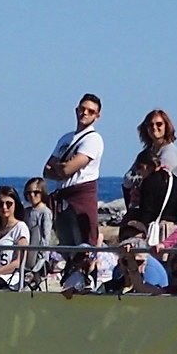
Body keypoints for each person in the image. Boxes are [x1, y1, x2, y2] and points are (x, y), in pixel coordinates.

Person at [45, 95, 106, 250]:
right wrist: (63, 167)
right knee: (66, 245)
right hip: (63, 197)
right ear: (76, 110)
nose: (84, 113)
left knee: (85, 246)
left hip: (81, 197)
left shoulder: (94, 139)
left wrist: (61, 168)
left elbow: (67, 170)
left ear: (97, 116)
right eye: (82, 109)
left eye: (90, 111)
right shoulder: (65, 138)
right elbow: (46, 170)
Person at [123, 112, 177, 244]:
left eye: (159, 124)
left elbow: (157, 180)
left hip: (163, 213)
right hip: (146, 207)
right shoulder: (147, 152)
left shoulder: (170, 152)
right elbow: (127, 179)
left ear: (166, 126)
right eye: (150, 125)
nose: (154, 128)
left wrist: (138, 178)